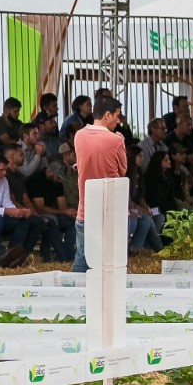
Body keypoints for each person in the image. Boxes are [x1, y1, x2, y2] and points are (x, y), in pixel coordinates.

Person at [72, 97, 129, 273]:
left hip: (85, 209)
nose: (118, 121)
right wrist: (122, 141)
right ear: (107, 115)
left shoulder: (79, 135)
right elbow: (122, 171)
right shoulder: (116, 140)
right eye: (117, 116)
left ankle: (74, 295)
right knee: (112, 260)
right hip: (110, 210)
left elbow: (84, 161)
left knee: (83, 257)